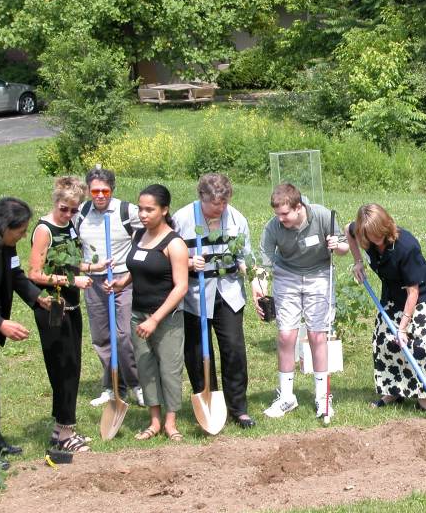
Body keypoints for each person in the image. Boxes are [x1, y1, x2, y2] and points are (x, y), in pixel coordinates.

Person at [252, 184, 348, 419]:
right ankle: (286, 397)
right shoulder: (274, 226)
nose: (280, 219)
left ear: (299, 207)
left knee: (318, 335)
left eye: (284, 214)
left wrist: (338, 246)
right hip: (287, 276)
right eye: (277, 214)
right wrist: (259, 284)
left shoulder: (323, 215)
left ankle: (322, 396)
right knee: (286, 335)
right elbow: (263, 263)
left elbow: (345, 247)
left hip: (319, 275)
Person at [29, 176, 107, 452]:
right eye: (65, 208)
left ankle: (64, 429)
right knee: (62, 368)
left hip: (71, 307)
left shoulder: (70, 226)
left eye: (75, 209)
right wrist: (70, 282)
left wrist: (93, 268)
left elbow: (70, 264)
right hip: (53, 308)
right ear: (55, 202)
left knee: (72, 367)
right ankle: (63, 433)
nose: (69, 214)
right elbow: (35, 274)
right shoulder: (44, 230)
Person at [106, 184, 188, 440]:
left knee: (169, 369)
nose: (143, 214)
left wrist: (155, 319)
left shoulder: (174, 244)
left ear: (164, 210)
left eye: (149, 209)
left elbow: (181, 287)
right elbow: (140, 267)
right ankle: (154, 421)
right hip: (138, 315)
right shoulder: (138, 235)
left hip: (166, 319)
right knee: (146, 368)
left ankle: (171, 423)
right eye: (140, 208)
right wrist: (122, 282)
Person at [174, 173, 256, 429]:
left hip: (228, 294)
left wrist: (251, 275)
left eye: (224, 203)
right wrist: (186, 262)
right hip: (194, 296)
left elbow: (246, 257)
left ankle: (238, 408)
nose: (220, 209)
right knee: (198, 352)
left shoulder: (236, 218)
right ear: (202, 198)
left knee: (234, 350)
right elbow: (167, 255)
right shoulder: (182, 219)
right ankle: (208, 402)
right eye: (214, 205)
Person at [347, 204, 426, 411]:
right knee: (383, 341)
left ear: (386, 225)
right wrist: (357, 262)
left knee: (422, 344)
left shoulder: (406, 246)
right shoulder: (363, 233)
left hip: (423, 294)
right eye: (370, 235)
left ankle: (424, 397)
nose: (375, 239)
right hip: (393, 293)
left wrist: (402, 328)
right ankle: (393, 391)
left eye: (378, 234)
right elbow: (349, 230)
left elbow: (413, 293)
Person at [0, 198, 49, 470]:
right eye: (20, 231)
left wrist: (37, 297)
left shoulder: (6, 247)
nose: (22, 236)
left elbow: (16, 275)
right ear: (2, 226)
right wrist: (0, 323)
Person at [75, 166, 143, 408]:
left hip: (122, 280)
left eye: (105, 190)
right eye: (95, 191)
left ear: (112, 190)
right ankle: (112, 386)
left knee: (124, 336)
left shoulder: (128, 211)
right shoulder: (81, 212)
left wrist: (133, 264)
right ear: (89, 191)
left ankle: (136, 384)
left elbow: (148, 234)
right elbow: (74, 245)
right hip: (94, 281)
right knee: (102, 337)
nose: (100, 195)